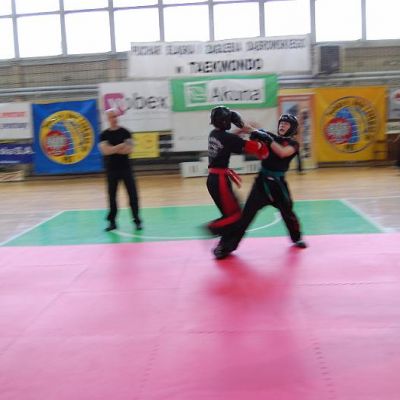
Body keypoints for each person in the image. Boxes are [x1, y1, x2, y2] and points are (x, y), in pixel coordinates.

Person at [214, 114, 307, 259]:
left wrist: (267, 139)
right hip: (262, 184)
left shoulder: (293, 144)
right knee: (245, 217)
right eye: (281, 122)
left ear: (293, 128)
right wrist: (238, 123)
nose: (282, 125)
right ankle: (226, 247)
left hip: (278, 185)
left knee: (288, 213)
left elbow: (282, 153)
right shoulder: (270, 137)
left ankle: (297, 238)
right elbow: (251, 128)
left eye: (286, 124)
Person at [206, 106, 269, 244]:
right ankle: (213, 227)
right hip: (220, 181)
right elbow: (252, 147)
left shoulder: (214, 134)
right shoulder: (227, 138)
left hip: (213, 179)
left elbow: (229, 140)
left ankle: (224, 243)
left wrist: (241, 130)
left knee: (230, 214)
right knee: (236, 216)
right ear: (225, 122)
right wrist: (261, 139)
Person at [99, 108, 142, 232]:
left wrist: (112, 148)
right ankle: (112, 222)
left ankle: (137, 221)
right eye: (111, 117)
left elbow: (129, 150)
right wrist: (120, 146)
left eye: (115, 116)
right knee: (112, 196)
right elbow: (105, 151)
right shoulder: (103, 135)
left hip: (126, 169)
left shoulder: (126, 132)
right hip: (111, 170)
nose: (114, 119)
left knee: (133, 195)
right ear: (108, 119)